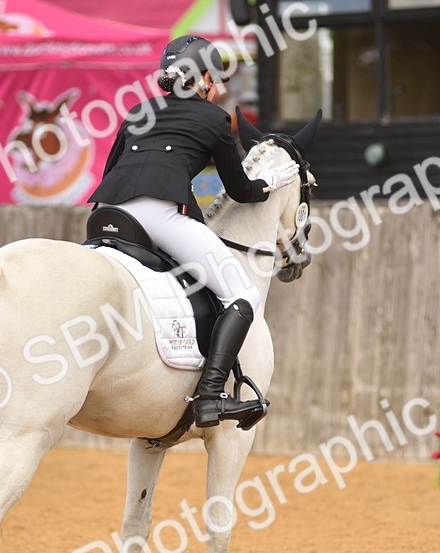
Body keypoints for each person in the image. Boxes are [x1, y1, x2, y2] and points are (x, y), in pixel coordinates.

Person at [89, 35, 299, 428]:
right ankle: (210, 396)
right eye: (213, 77)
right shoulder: (214, 118)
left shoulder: (138, 111)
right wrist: (268, 183)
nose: (215, 85)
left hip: (106, 213)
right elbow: (239, 190)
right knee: (243, 293)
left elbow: (111, 172)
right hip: (156, 216)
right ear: (203, 78)